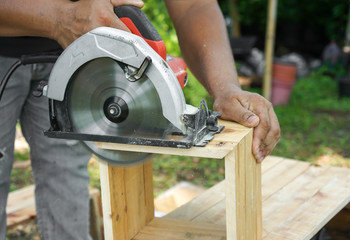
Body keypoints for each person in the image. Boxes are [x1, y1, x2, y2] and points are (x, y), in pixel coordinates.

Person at [0, 0, 280, 239]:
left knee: (67, 179)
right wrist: (59, 18)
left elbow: (194, 5)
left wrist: (225, 87)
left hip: (80, 55)